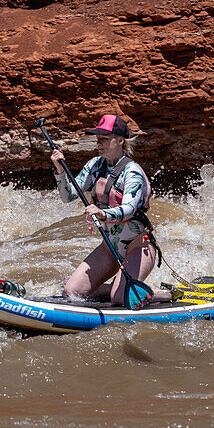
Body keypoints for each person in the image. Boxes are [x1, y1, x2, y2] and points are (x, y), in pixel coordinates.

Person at [50, 114, 173, 306]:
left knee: (118, 298)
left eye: (105, 138)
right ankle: (118, 286)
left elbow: (130, 209)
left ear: (121, 140)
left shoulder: (132, 171)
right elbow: (68, 197)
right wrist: (60, 171)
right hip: (110, 247)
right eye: (98, 138)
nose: (100, 142)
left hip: (138, 247)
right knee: (72, 292)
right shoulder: (95, 165)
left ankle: (163, 293)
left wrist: (102, 213)